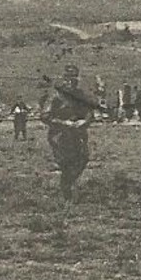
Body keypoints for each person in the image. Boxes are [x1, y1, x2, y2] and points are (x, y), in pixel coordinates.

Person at [46, 63, 95, 201]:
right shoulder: (56, 96)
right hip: (60, 135)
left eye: (74, 77)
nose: (71, 80)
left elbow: (90, 113)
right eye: (68, 77)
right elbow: (45, 115)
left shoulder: (81, 95)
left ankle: (68, 185)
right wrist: (63, 123)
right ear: (63, 78)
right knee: (67, 163)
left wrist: (84, 122)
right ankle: (67, 193)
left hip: (78, 134)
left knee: (83, 158)